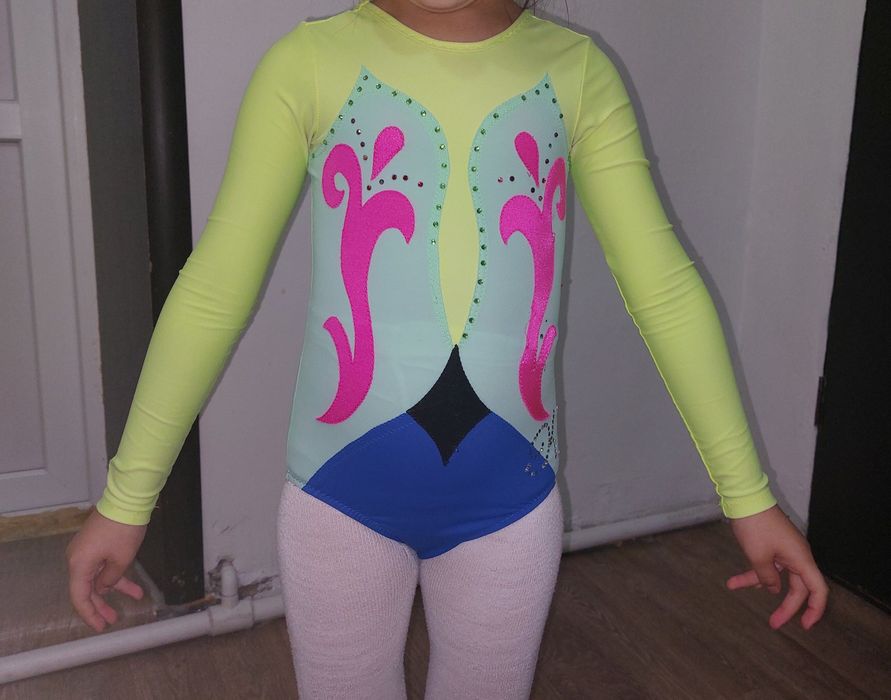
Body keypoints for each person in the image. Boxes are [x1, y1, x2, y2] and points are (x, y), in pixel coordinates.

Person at [65, 0, 829, 697]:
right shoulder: (307, 64)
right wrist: (128, 499)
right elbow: (212, 290)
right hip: (338, 505)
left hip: (507, 507)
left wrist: (747, 497)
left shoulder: (577, 73)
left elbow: (663, 290)